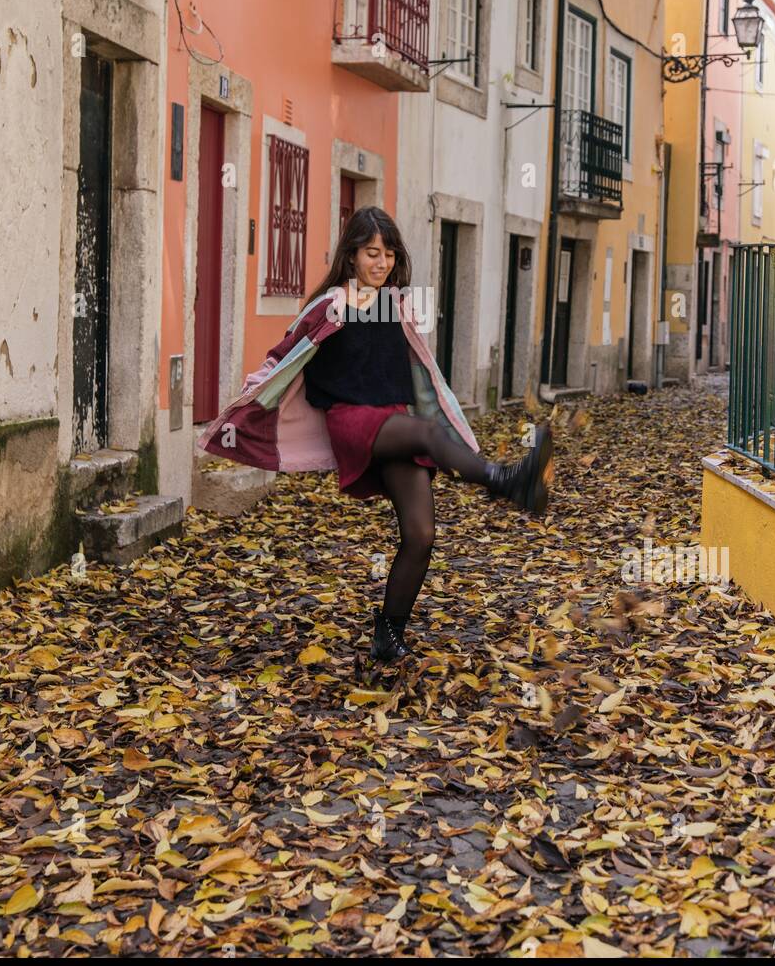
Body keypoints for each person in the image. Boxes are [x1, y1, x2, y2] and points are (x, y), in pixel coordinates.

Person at [197, 206, 553, 667]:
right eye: (371, 254)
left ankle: (388, 635)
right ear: (351, 258)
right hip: (353, 422)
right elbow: (284, 354)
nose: (380, 263)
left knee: (422, 533)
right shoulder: (331, 306)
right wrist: (253, 392)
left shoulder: (396, 305)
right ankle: (506, 481)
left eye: (387, 254)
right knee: (426, 434)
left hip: (396, 424)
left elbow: (423, 369)